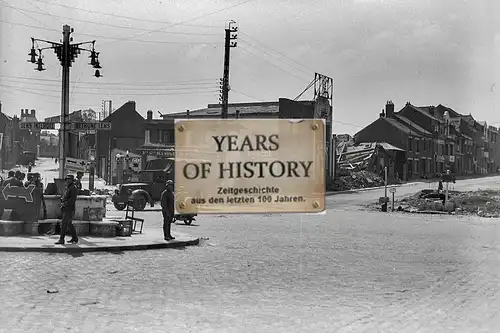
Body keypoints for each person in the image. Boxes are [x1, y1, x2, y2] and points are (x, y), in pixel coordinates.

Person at [55, 174, 78, 245]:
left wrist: (65, 203)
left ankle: (61, 239)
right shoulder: (68, 187)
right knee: (69, 224)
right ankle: (75, 238)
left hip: (69, 208)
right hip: (66, 208)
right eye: (67, 179)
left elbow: (73, 199)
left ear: (71, 180)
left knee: (64, 224)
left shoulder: (73, 188)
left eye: (69, 179)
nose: (67, 181)